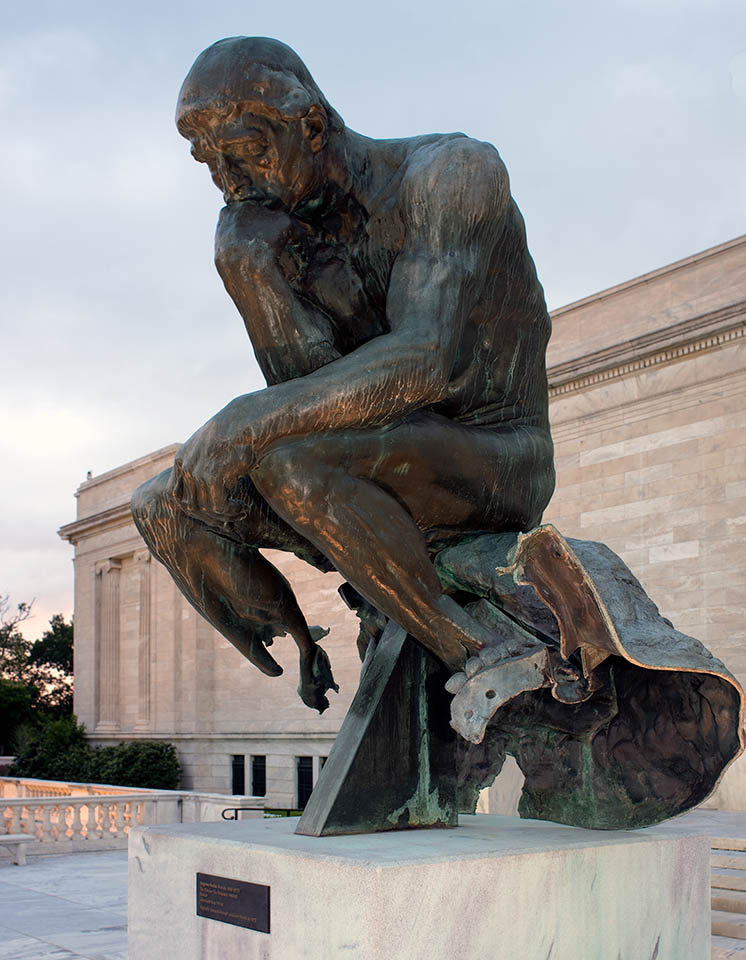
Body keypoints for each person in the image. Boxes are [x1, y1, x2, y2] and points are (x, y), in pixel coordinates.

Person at [132, 36, 555, 712]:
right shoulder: (279, 236)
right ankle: (310, 639)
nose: (229, 183)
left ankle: (486, 655)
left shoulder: (448, 173)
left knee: (290, 464)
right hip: (382, 456)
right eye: (209, 164)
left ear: (312, 126)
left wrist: (245, 420)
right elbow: (314, 393)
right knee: (163, 502)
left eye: (245, 152)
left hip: (496, 458)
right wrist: (250, 275)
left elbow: (422, 362)